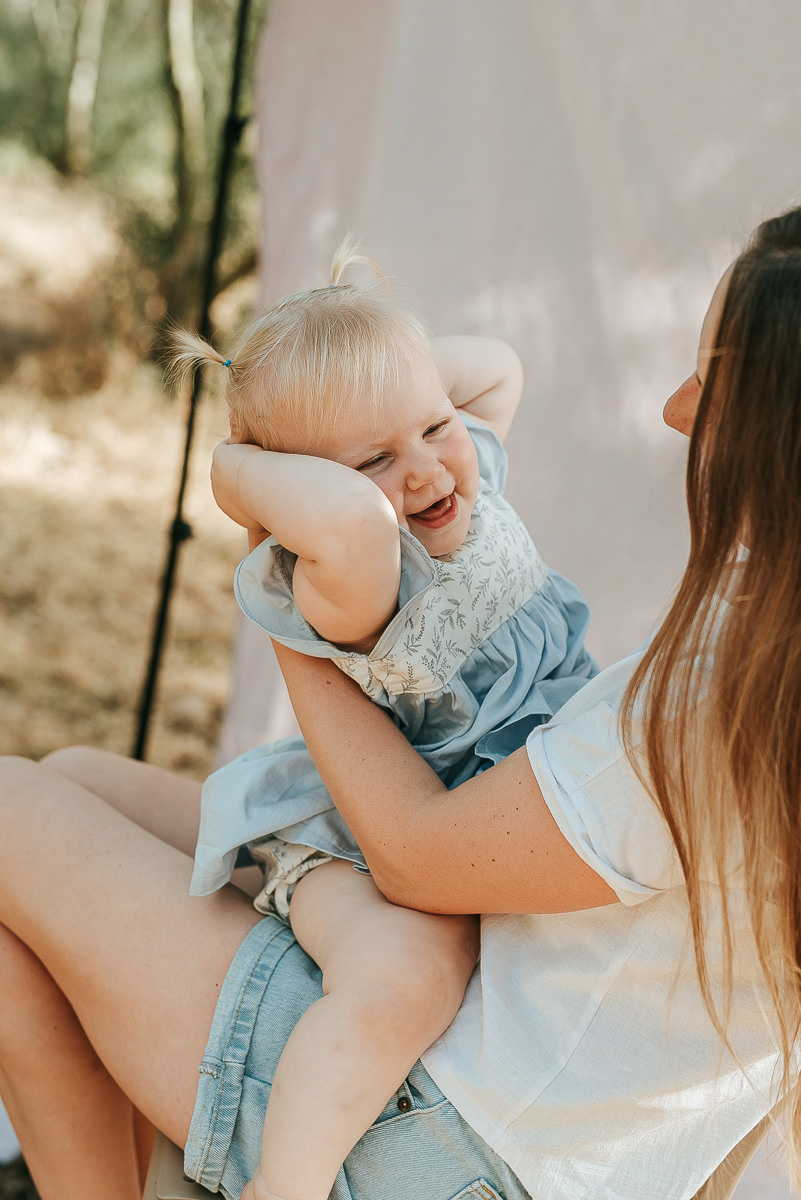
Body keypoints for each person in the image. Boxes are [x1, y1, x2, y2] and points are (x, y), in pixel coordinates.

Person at [0, 207, 800, 1200]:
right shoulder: (768, 636)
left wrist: (258, 521)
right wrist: (368, 376)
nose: (676, 408)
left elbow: (416, 859)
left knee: (10, 810)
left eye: (711, 381)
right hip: (504, 1090)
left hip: (444, 1141)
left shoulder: (729, 690)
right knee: (71, 789)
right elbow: (485, 373)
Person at [169, 242, 597, 1200]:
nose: (423, 469)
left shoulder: (454, 472)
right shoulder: (358, 568)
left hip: (483, 825)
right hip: (370, 842)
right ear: (308, 490)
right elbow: (350, 515)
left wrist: (380, 379)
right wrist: (235, 467)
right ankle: (286, 1184)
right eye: (371, 460)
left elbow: (497, 367)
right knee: (405, 984)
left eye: (435, 425)